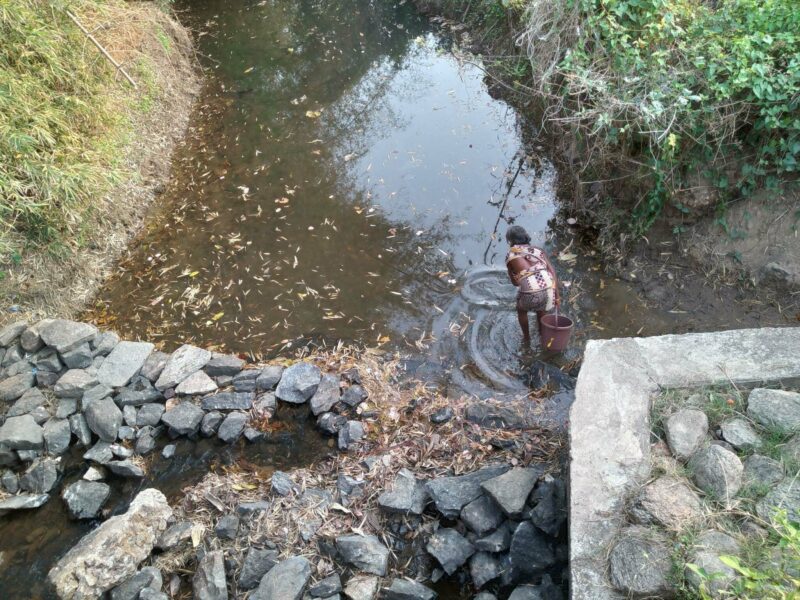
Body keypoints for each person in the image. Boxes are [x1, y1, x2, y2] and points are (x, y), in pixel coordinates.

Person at [505, 225, 559, 344]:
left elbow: (515, 283)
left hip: (532, 292)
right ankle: (541, 333)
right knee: (541, 309)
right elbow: (552, 271)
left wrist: (522, 278)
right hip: (549, 287)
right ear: (525, 236)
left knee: (521, 309)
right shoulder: (538, 250)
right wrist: (557, 295)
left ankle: (526, 338)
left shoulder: (510, 255)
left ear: (510, 241)